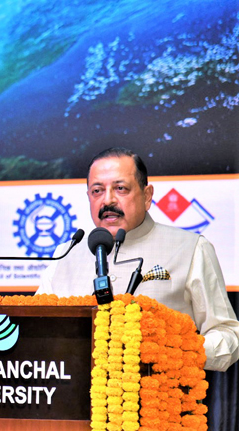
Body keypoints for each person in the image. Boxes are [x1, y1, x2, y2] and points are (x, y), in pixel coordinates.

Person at [37, 147, 239, 371]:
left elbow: (228, 335)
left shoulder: (191, 248)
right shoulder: (65, 254)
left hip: (161, 399)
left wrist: (176, 350)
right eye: (97, 191)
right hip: (73, 397)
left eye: (120, 188)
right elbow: (35, 327)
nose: (108, 200)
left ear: (147, 195)